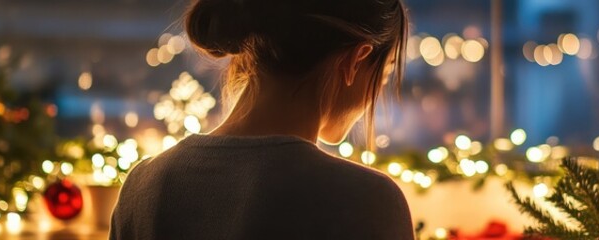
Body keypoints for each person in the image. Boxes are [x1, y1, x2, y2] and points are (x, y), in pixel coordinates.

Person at [110, 0, 412, 238]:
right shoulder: (368, 200)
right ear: (355, 61)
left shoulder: (144, 185)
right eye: (384, 75)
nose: (375, 95)